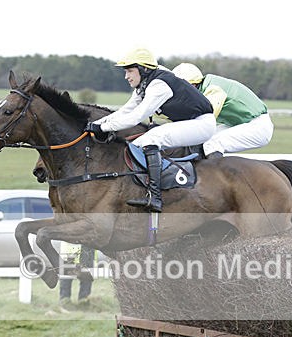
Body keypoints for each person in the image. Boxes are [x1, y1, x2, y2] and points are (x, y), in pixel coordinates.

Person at [85, 48, 215, 212]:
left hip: (202, 124)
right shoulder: (144, 84)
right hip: (189, 122)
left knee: (151, 139)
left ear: (144, 69)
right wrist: (95, 124)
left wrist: (102, 127)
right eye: (126, 71)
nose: (126, 76)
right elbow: (124, 111)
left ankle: (156, 197)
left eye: (130, 71)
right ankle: (148, 188)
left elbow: (135, 118)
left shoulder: (159, 85)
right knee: (136, 145)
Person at [171, 63, 274, 158]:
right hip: (241, 123)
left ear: (192, 85)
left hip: (258, 127)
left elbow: (206, 119)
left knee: (212, 143)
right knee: (200, 141)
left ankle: (215, 176)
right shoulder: (204, 86)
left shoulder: (213, 89)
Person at [58, 243, 95, 307]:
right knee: (66, 278)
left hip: (87, 250)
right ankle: (65, 302)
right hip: (70, 251)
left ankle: (83, 303)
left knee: (86, 278)